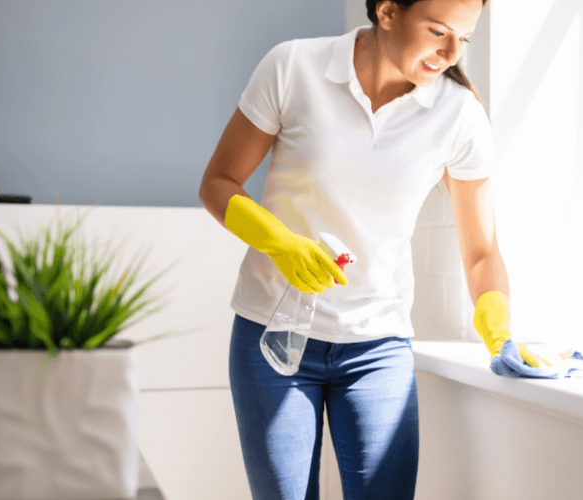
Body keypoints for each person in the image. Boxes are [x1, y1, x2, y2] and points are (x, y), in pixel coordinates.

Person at [198, 0, 545, 497]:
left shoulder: (459, 115)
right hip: (273, 337)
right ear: (386, 11)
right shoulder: (294, 66)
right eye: (437, 31)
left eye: (463, 39)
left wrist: (498, 332)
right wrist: (281, 244)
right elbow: (218, 182)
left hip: (377, 347)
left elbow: (483, 250)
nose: (450, 53)